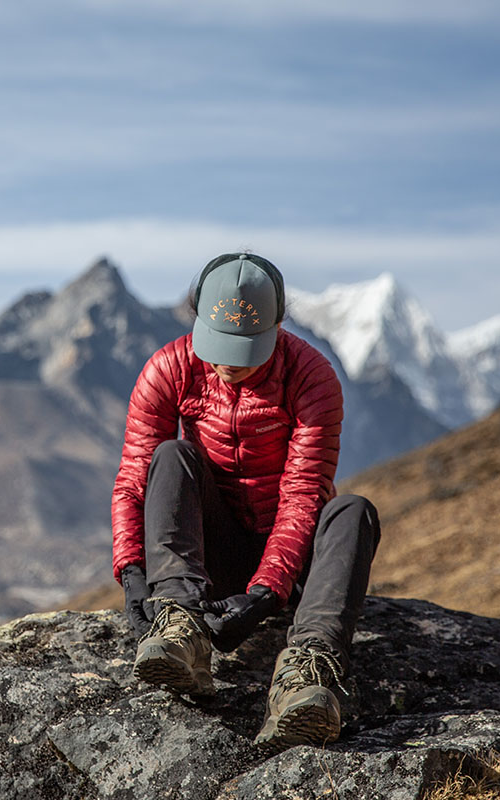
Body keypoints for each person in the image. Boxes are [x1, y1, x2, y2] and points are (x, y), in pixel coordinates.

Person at [111, 252, 381, 749]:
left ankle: (306, 673)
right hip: (209, 558)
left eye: (246, 349)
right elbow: (134, 479)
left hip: (291, 566)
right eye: (219, 345)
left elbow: (303, 496)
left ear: (277, 327)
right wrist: (131, 570)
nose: (229, 363)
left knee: (352, 512)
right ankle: (181, 627)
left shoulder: (311, 376)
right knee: (171, 457)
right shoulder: (168, 368)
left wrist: (265, 594)